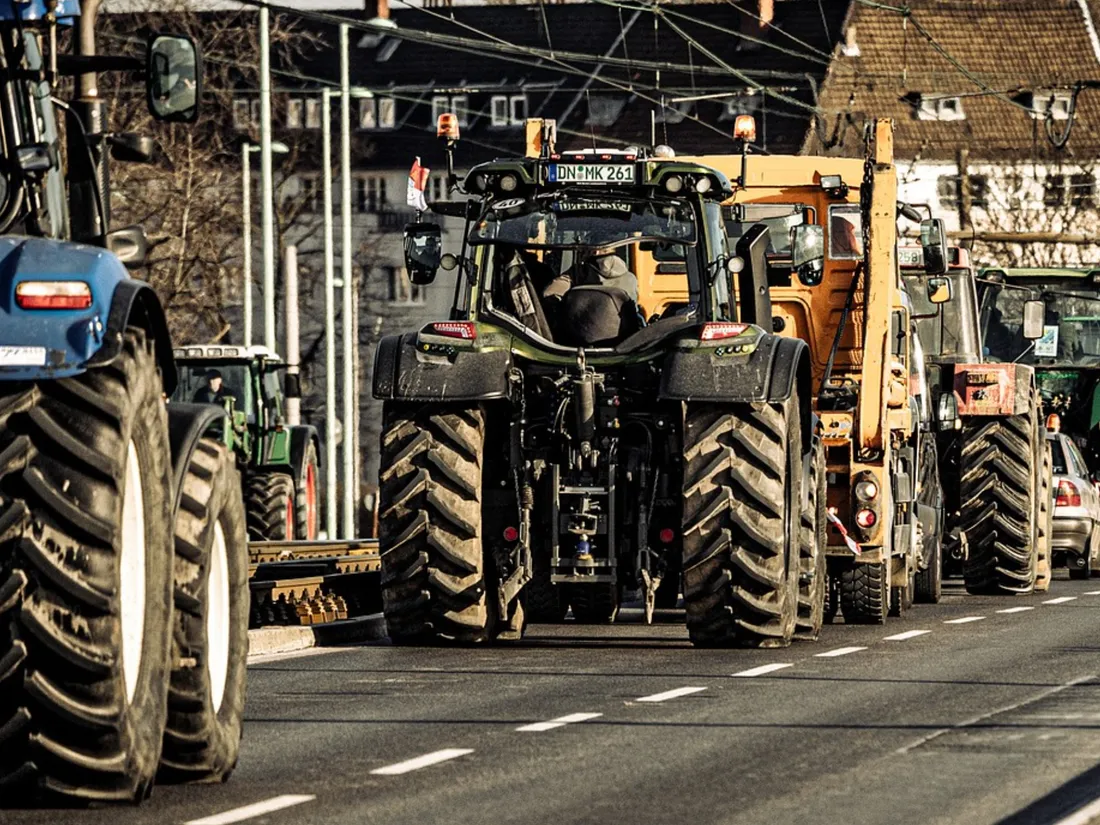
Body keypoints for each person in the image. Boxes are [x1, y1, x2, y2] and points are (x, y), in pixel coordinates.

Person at [542, 248, 638, 302]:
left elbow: (550, 293)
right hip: (625, 335)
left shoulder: (580, 272)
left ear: (594, 251)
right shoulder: (631, 279)